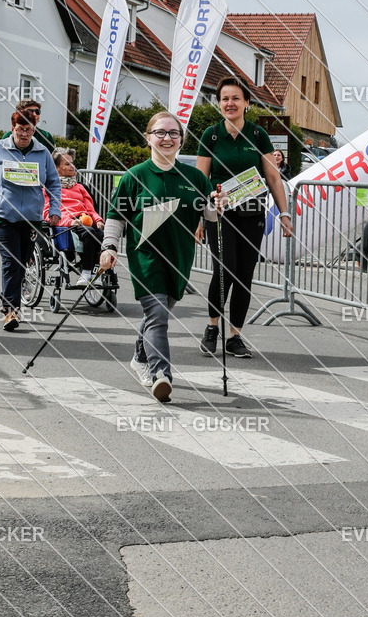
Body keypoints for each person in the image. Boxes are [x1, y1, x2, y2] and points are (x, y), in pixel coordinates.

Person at [99, 111, 216, 403]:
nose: (167, 138)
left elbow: (210, 216)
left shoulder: (195, 178)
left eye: (173, 133)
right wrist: (109, 247)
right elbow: (116, 216)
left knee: (157, 315)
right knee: (158, 314)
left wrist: (218, 206)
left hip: (180, 258)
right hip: (146, 257)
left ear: (181, 140)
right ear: (148, 137)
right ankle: (161, 374)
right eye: (160, 132)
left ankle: (139, 358)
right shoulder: (134, 176)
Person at [196, 77, 293, 359]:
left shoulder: (259, 135)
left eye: (236, 98)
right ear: (219, 103)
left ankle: (235, 336)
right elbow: (201, 180)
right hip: (219, 214)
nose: (230, 103)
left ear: (247, 103)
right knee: (224, 269)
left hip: (252, 215)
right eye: (225, 98)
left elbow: (273, 177)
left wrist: (284, 213)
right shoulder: (211, 135)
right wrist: (199, 218)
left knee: (244, 276)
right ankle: (212, 327)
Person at [0, 111, 61, 331]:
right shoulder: (0, 148)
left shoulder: (43, 152)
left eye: (29, 130)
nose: (25, 134)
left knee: (23, 263)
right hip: (4, 218)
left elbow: (54, 184)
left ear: (34, 130)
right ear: (13, 129)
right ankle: (10, 310)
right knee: (12, 262)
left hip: (31, 219)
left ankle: (9, 301)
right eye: (20, 130)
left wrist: (54, 209)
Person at [43, 148, 105, 286]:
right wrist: (70, 221)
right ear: (57, 167)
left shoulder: (80, 187)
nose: (72, 167)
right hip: (66, 224)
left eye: (72, 163)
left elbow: (90, 209)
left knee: (102, 234)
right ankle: (86, 272)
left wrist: (99, 220)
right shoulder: (48, 188)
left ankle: (96, 272)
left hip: (85, 219)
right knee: (90, 233)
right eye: (67, 164)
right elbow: (47, 213)